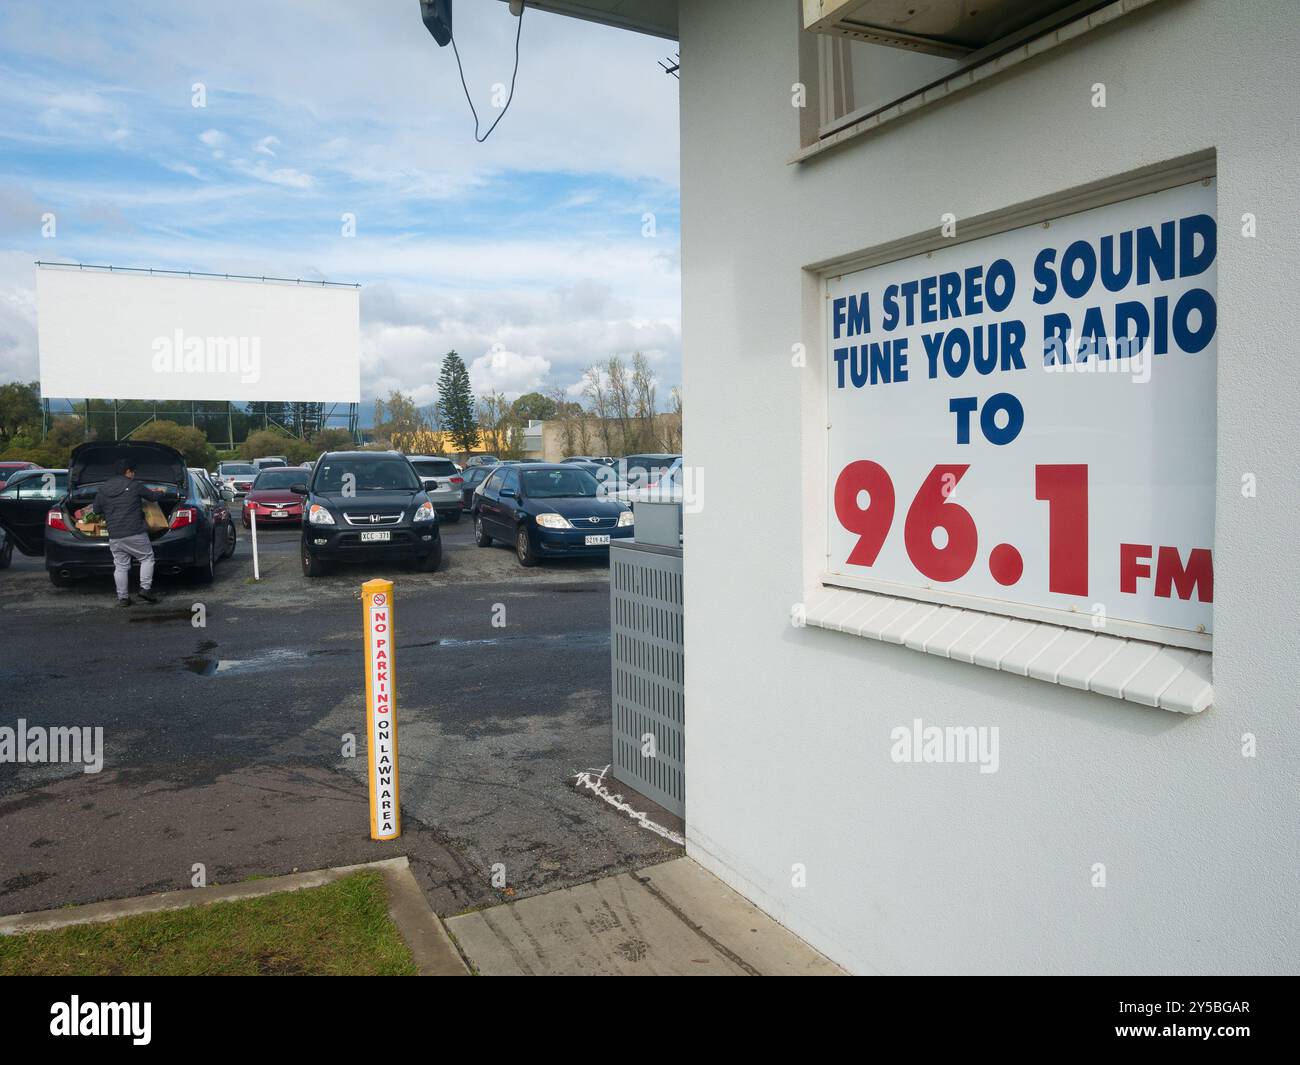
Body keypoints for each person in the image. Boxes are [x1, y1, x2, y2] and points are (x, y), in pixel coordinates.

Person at [93, 459, 169, 606]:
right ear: (128, 471)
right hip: (135, 532)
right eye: (133, 472)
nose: (134, 474)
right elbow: (152, 497)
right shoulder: (134, 485)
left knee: (120, 566)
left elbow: (96, 510)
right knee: (147, 558)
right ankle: (145, 589)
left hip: (115, 535)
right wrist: (162, 491)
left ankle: (123, 598)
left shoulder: (103, 489)